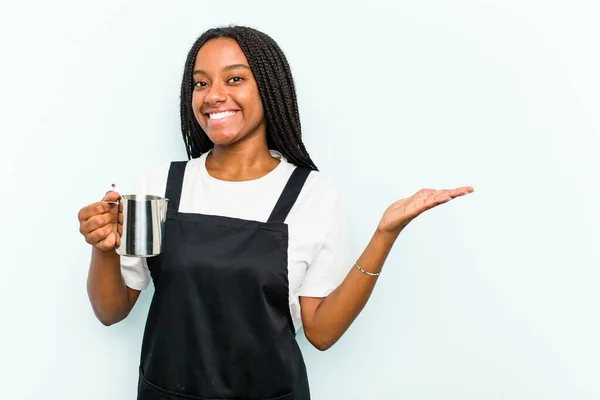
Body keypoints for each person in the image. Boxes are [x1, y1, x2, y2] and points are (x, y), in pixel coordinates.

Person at [77, 26, 473, 400]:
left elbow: (321, 331)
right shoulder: (160, 185)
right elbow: (111, 310)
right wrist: (103, 247)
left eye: (234, 79)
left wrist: (385, 234)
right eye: (201, 82)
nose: (213, 95)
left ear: (269, 87)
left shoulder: (312, 194)